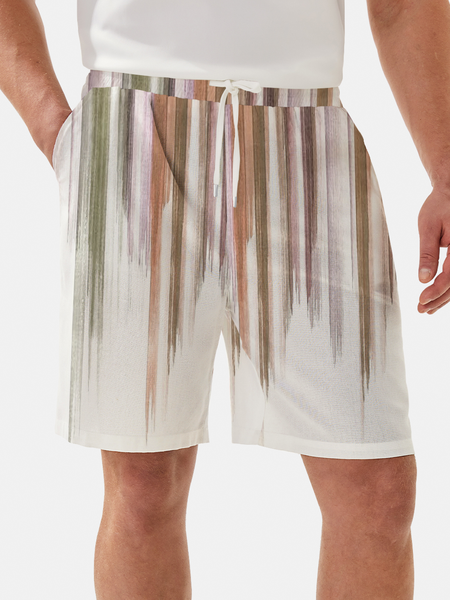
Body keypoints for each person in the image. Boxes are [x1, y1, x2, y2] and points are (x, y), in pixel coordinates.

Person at [1, 0, 449, 598]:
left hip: (309, 128)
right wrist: (50, 123)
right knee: (143, 483)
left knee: (378, 491)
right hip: (132, 123)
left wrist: (446, 169)